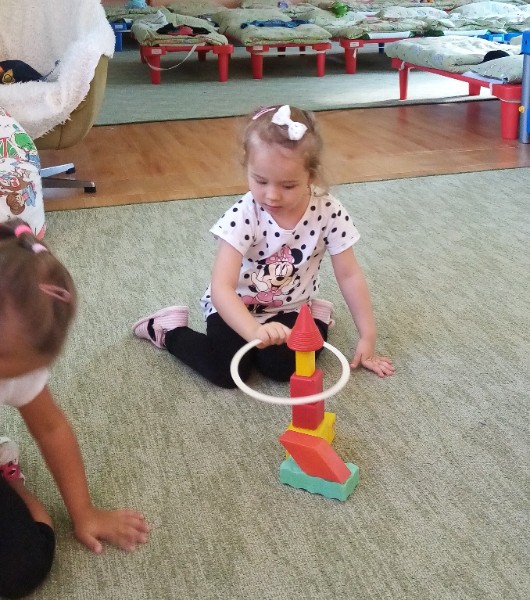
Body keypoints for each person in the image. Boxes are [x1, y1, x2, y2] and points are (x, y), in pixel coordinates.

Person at [133, 104, 394, 388]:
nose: (272, 195)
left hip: (291, 306)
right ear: (247, 167)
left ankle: (317, 317)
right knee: (227, 372)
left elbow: (349, 274)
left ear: (311, 175)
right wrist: (253, 330)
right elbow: (221, 287)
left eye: (288, 185)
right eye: (260, 180)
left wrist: (367, 335)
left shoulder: (328, 210)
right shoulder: (244, 215)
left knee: (283, 368)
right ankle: (169, 330)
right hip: (235, 306)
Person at [0, 220, 149, 599]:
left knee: (24, 566)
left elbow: (51, 429)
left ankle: (9, 476)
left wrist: (84, 512)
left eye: (15, 373)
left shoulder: (16, 359)